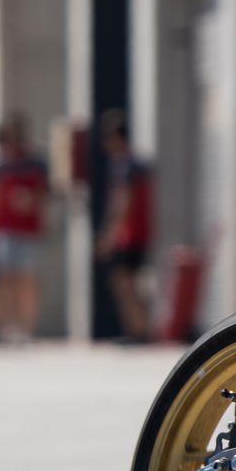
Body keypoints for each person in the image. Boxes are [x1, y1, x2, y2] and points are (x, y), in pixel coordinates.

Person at [0, 114, 49, 343]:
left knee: (27, 279)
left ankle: (27, 327)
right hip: (4, 229)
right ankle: (9, 326)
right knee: (4, 279)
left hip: (29, 230)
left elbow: (45, 194)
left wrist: (30, 200)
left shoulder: (35, 161)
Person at [96, 111, 153, 344]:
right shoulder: (131, 164)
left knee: (125, 283)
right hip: (132, 233)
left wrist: (108, 235)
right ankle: (137, 328)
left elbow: (123, 202)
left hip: (129, 235)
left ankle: (139, 330)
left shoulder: (124, 166)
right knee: (127, 283)